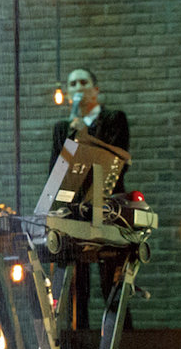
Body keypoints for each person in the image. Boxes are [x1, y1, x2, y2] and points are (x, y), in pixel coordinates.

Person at [48, 67, 131, 330]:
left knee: (113, 281)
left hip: (108, 209)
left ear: (96, 90)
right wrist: (73, 135)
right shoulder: (62, 128)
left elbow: (117, 162)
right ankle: (79, 344)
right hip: (75, 212)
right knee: (77, 287)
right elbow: (56, 171)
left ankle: (122, 343)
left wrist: (84, 132)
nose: (78, 88)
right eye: (73, 84)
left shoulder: (114, 119)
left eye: (84, 82)